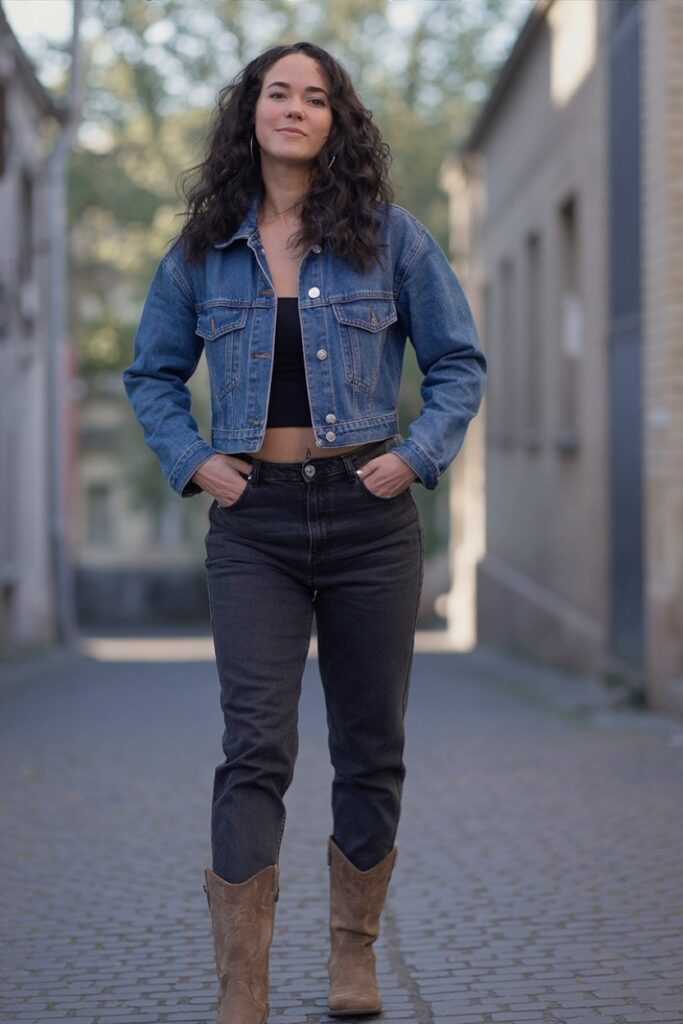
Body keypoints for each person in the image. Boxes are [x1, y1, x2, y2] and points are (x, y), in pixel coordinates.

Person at [123, 39, 486, 1024]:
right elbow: (149, 374)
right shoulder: (202, 252)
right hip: (255, 522)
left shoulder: (389, 237)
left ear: (336, 119)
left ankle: (352, 958)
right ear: (250, 113)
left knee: (371, 743)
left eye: (313, 96)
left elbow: (458, 363)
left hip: (370, 517)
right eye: (275, 92)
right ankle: (242, 985)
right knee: (255, 747)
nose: (292, 108)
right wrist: (193, 458)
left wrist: (414, 456)